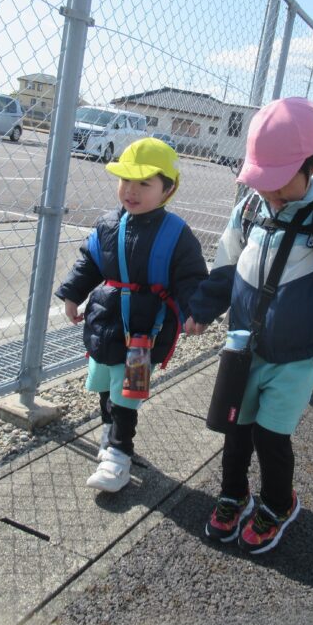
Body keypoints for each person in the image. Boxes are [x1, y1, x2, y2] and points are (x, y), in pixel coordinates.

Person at [184, 97, 313, 554]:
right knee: (236, 426)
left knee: (270, 435)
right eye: (263, 182)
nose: (272, 194)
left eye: (280, 182)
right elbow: (226, 266)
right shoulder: (250, 208)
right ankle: (233, 493)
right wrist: (202, 310)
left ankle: (278, 503)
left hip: (297, 355)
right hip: (243, 347)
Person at [56, 138, 208, 492]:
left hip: (146, 331)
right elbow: (90, 261)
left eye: (144, 183)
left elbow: (191, 278)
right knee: (105, 385)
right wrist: (72, 293)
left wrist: (195, 311)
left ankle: (119, 457)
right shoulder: (108, 223)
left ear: (168, 189)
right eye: (125, 180)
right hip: (105, 322)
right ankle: (110, 433)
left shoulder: (176, 233)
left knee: (128, 395)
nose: (131, 190)